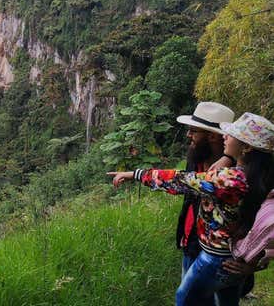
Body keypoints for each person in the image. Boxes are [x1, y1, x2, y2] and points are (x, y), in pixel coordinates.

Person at [108, 112, 274, 306]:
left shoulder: (230, 180)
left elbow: (180, 180)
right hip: (235, 258)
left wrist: (135, 174)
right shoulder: (262, 177)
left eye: (231, 135)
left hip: (215, 259)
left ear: (246, 148)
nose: (225, 136)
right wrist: (257, 262)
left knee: (184, 299)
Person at [174, 102, 235, 295]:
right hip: (191, 244)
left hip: (223, 257)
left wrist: (254, 261)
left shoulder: (235, 175)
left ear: (212, 136)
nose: (188, 135)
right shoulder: (195, 158)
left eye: (193, 131)